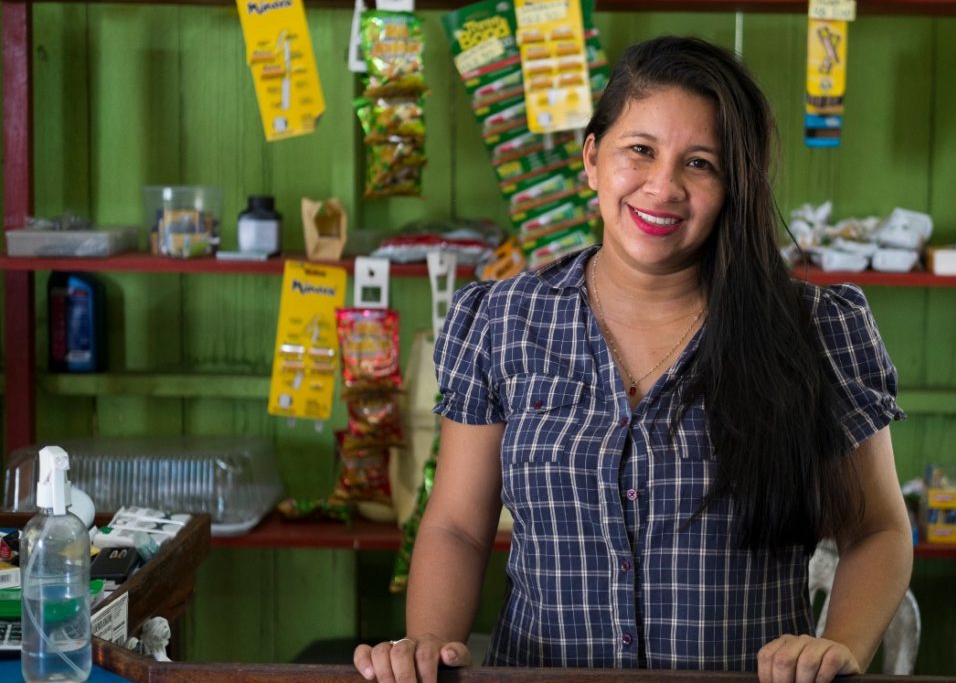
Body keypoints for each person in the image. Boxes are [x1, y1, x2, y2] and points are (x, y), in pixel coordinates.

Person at [355, 35, 913, 683]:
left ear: (734, 185)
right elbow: (456, 526)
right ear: (593, 158)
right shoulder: (502, 322)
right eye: (640, 151)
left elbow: (876, 529)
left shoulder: (814, 329)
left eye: (700, 163)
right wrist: (428, 644)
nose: (663, 186)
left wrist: (839, 644)